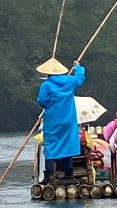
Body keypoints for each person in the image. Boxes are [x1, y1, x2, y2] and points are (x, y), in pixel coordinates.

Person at [36, 57, 86, 185]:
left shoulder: (46, 85)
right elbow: (80, 78)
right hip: (68, 119)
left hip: (53, 120)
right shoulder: (69, 81)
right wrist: (78, 67)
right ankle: (68, 173)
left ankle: (49, 174)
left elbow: (42, 102)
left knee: (51, 144)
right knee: (67, 143)